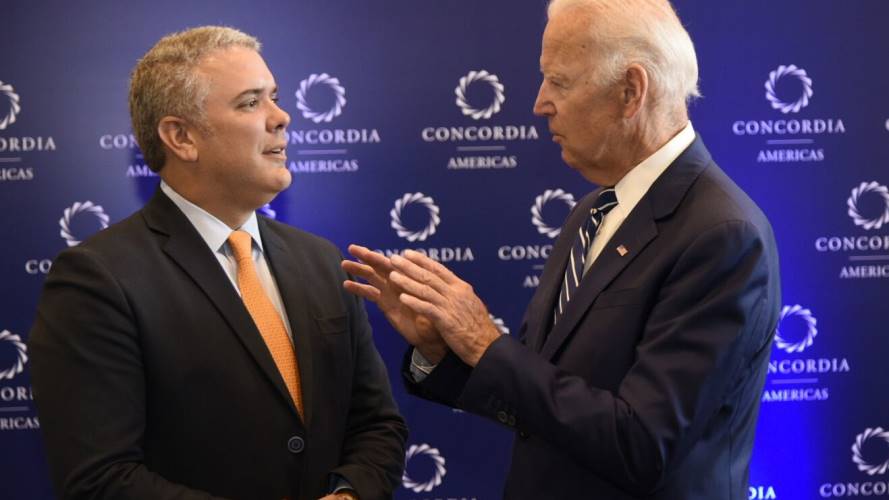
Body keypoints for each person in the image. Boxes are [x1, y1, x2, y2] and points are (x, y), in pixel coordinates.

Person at [342, 0, 781, 498]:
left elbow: (642, 445)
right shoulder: (593, 211)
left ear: (630, 92)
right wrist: (446, 349)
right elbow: (541, 392)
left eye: (560, 81)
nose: (539, 103)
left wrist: (486, 343)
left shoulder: (721, 234)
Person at [29, 26, 406, 500]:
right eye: (251, 102)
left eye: (275, 97)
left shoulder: (321, 260)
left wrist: (349, 495)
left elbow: (376, 424)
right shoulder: (97, 279)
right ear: (181, 137)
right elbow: (101, 478)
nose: (282, 117)